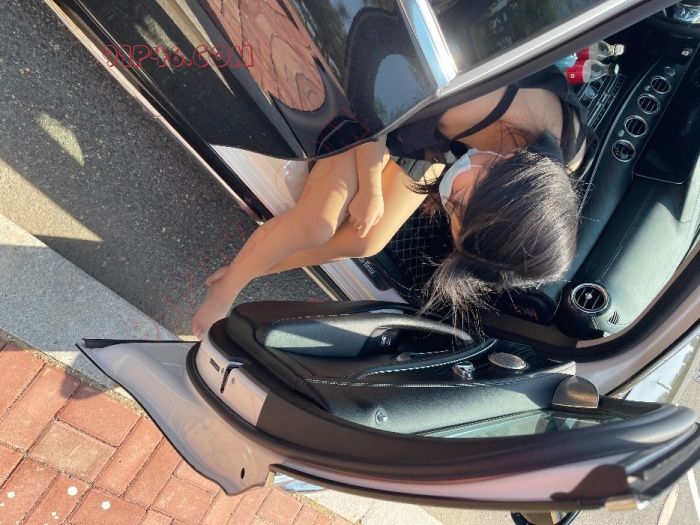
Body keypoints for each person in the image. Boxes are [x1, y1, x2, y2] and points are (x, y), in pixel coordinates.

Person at [190, 66, 591, 339]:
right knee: (318, 224)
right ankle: (228, 288)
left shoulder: (561, 161)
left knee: (366, 240)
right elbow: (368, 110)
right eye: (457, 204)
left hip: (422, 119)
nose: (446, 202)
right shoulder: (469, 109)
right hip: (378, 91)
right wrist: (371, 189)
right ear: (507, 179)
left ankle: (253, 267)